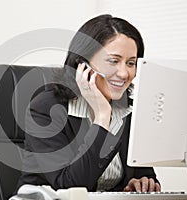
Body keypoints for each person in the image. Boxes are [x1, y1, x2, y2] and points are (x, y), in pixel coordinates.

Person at [17, 14, 161, 193]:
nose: (124, 74)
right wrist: (102, 117)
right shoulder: (45, 108)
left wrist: (142, 183)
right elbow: (69, 186)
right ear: (82, 64)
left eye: (130, 63)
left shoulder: (130, 110)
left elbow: (143, 173)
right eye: (113, 61)